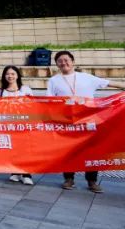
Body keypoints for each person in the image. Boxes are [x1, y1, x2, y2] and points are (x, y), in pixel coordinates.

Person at [46, 50, 118, 193]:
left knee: (92, 150)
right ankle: (69, 179)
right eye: (60, 61)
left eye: (66, 60)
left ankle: (92, 181)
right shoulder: (53, 80)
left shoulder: (86, 77)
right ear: (57, 64)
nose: (63, 63)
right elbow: (49, 101)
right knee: (68, 150)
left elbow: (109, 83)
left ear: (73, 62)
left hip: (89, 120)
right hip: (67, 121)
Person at [0, 65, 34, 185]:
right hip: (8, 124)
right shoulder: (0, 91)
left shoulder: (25, 89)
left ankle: (26, 173)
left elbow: (32, 106)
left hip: (23, 124)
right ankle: (15, 172)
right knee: (12, 149)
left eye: (13, 74)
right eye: (7, 74)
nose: (10, 76)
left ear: (17, 75)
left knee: (25, 149)